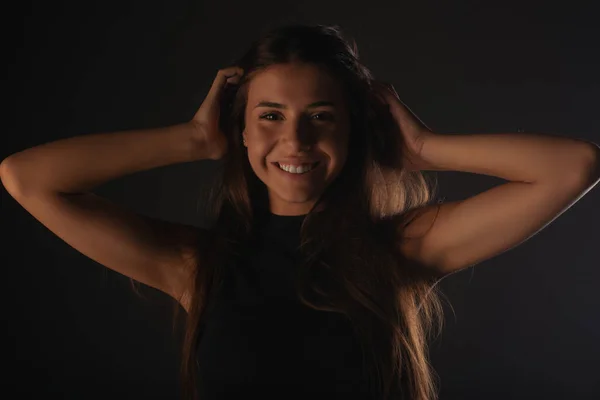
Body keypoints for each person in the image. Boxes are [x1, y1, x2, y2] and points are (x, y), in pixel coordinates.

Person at [2, 24, 598, 400]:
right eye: (269, 116)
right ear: (237, 130)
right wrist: (189, 139)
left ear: (351, 130)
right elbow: (25, 178)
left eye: (321, 116)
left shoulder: (404, 248)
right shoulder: (195, 264)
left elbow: (574, 167)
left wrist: (422, 148)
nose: (296, 142)